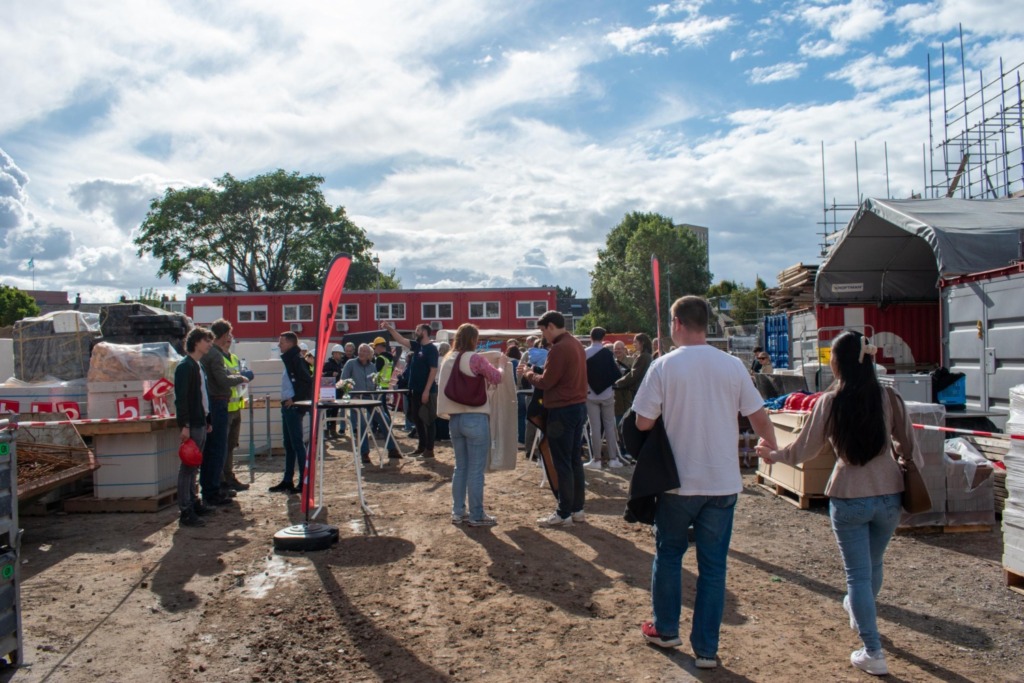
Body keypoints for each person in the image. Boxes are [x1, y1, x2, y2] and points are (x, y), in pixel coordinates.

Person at [755, 330, 914, 676]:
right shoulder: (888, 397)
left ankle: (873, 649)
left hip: (848, 495)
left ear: (837, 363)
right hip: (890, 494)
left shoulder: (830, 401)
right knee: (873, 566)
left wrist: (773, 455)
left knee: (857, 575)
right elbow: (909, 444)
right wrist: (898, 460)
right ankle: (862, 619)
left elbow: (803, 450)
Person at [632, 296, 777, 669]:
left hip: (679, 481)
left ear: (677, 323)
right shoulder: (730, 365)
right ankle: (707, 649)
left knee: (669, 554)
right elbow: (758, 415)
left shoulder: (664, 366)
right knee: (714, 567)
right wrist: (770, 444)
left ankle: (666, 628)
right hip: (723, 481)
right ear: (706, 323)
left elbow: (642, 423)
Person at [517, 311, 588, 527]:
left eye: (542, 330)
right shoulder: (575, 344)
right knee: (574, 460)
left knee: (562, 463)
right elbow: (559, 377)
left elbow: (546, 382)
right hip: (577, 407)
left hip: (562, 411)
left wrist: (528, 373)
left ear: (550, 326)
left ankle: (564, 512)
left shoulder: (559, 348)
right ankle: (577, 509)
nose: (543, 335)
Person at [437, 324, 506, 527]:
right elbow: (497, 377)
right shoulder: (475, 358)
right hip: (475, 417)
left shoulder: (447, 359)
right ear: (473, 339)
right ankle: (477, 514)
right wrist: (501, 363)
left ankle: (458, 511)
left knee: (461, 467)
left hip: (455, 419)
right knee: (476, 470)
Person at [199, 319, 249, 506]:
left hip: (226, 404)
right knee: (217, 448)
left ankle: (218, 485)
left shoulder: (218, 354)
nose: (230, 338)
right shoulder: (215, 355)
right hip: (220, 404)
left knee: (223, 447)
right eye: (228, 334)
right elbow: (221, 379)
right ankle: (215, 487)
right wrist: (240, 378)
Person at [174, 327, 215, 527]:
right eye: (207, 340)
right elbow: (181, 399)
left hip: (200, 422)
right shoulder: (185, 367)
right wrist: (185, 425)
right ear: (196, 342)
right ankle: (185, 509)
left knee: (194, 466)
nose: (209, 344)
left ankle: (193, 502)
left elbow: (202, 397)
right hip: (193, 424)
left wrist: (207, 420)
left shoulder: (197, 366)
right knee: (188, 467)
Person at [382, 322, 439, 459]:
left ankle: (429, 449)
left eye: (417, 330)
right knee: (417, 418)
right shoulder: (418, 346)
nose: (415, 332)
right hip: (415, 389)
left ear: (424, 332)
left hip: (427, 391)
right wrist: (390, 329)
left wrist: (426, 391)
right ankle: (421, 447)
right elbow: (400, 340)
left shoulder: (431, 349)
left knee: (428, 419)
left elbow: (433, 370)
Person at [341, 344, 402, 464]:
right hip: (357, 401)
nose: (361, 353)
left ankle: (392, 449)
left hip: (372, 399)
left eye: (364, 351)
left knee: (385, 420)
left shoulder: (373, 367)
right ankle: (364, 454)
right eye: (360, 351)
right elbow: (343, 381)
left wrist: (378, 390)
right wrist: (351, 394)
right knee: (362, 424)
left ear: (370, 354)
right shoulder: (350, 364)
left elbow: (376, 382)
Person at [269, 332, 313, 494]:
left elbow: (307, 382)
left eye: (281, 342)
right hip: (288, 406)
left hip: (293, 408)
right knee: (289, 444)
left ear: (289, 343)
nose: (279, 345)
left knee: (297, 444)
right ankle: (288, 480)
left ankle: (303, 480)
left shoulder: (296, 359)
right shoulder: (292, 359)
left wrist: (295, 399)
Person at [584, 327, 624, 470]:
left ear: (590, 337)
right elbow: (614, 372)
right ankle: (613, 459)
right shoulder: (608, 353)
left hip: (590, 394)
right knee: (609, 426)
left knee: (594, 428)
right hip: (607, 393)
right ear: (603, 337)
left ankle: (596, 459)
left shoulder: (585, 353)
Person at [221, 329, 254, 492]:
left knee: (231, 445)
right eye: (226, 337)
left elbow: (240, 375)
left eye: (230, 337)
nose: (229, 340)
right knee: (223, 446)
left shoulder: (233, 358)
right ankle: (223, 479)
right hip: (225, 408)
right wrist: (241, 377)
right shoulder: (218, 358)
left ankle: (229, 475)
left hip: (236, 407)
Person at [321, 344, 346, 440]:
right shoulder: (328, 364)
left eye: (341, 354)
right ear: (334, 353)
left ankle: (333, 430)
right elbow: (322, 375)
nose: (340, 356)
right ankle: (327, 431)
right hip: (329, 391)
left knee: (335, 411)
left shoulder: (340, 364)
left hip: (338, 390)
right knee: (328, 411)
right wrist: (330, 373)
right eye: (339, 353)